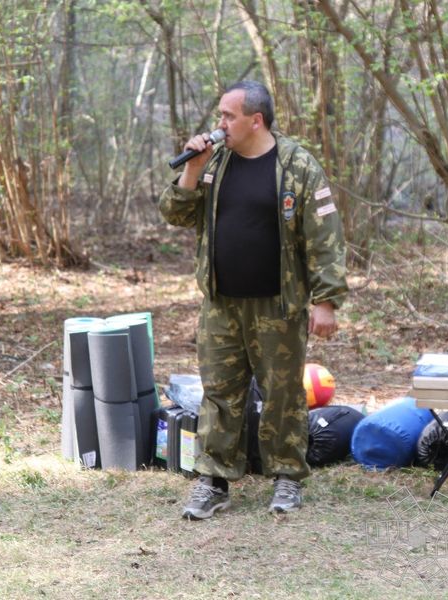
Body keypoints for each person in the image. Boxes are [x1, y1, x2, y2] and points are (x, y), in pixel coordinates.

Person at [159, 80, 348, 519]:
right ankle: (214, 480)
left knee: (283, 394)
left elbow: (326, 237)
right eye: (220, 115)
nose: (219, 123)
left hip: (278, 305)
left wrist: (326, 300)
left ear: (255, 120)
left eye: (228, 116)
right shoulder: (214, 161)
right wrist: (192, 168)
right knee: (220, 394)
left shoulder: (296, 165)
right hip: (221, 304)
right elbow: (175, 213)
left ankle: (286, 478)